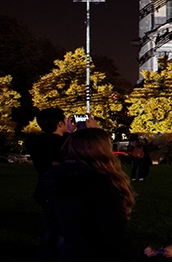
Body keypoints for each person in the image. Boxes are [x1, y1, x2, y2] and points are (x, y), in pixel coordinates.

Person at [40, 127, 138, 261]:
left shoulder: (57, 180)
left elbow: (51, 226)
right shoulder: (100, 183)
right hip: (96, 254)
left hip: (66, 251)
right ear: (101, 150)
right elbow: (113, 232)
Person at [26, 107, 68, 261]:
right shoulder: (64, 143)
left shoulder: (37, 143)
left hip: (44, 188)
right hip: (63, 189)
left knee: (50, 227)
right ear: (59, 123)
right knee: (64, 228)